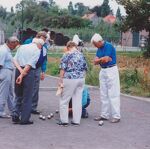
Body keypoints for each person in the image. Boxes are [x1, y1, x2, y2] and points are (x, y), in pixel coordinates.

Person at [12, 38, 44, 125]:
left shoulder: (22, 47)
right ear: (39, 45)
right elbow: (30, 64)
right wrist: (22, 75)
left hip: (18, 70)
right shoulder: (37, 50)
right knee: (27, 95)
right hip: (29, 72)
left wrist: (20, 71)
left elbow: (14, 60)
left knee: (18, 94)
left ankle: (15, 114)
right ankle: (24, 119)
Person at [91, 33, 121, 123]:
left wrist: (100, 59)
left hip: (111, 70)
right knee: (103, 93)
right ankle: (104, 114)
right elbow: (95, 61)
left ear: (100, 41)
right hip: (103, 70)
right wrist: (101, 59)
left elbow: (106, 59)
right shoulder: (99, 48)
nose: (95, 46)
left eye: (95, 44)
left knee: (113, 93)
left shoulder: (108, 46)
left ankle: (116, 116)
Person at [58, 41, 87, 126]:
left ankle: (64, 121)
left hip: (70, 78)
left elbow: (62, 68)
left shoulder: (67, 54)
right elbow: (85, 68)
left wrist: (60, 80)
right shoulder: (81, 55)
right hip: (81, 78)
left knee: (64, 100)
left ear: (68, 47)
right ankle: (76, 121)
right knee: (77, 100)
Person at [0, 36, 19, 118]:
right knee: (3, 93)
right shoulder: (3, 50)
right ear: (11, 43)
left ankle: (12, 109)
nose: (15, 47)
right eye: (14, 45)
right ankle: (0, 111)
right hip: (5, 71)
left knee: (9, 92)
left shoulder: (6, 49)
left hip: (7, 71)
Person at [31, 31, 48, 114]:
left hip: (37, 68)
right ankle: (23, 106)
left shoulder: (45, 47)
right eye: (43, 38)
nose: (44, 40)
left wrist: (43, 71)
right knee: (26, 86)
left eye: (45, 39)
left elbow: (44, 60)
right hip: (28, 67)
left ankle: (33, 107)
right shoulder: (30, 42)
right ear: (38, 37)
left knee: (35, 88)